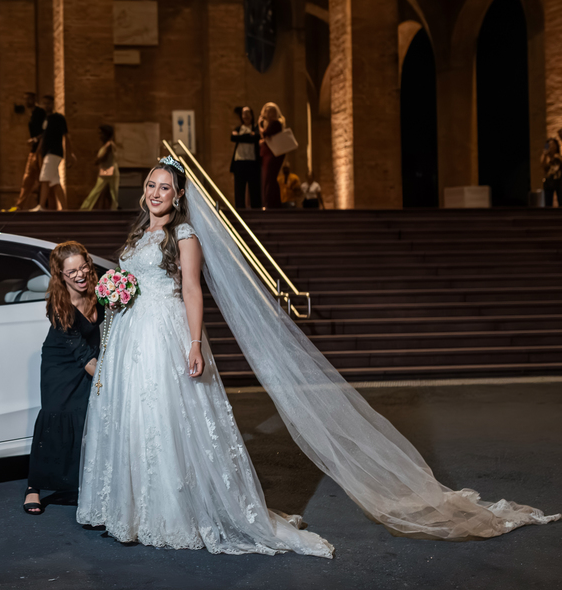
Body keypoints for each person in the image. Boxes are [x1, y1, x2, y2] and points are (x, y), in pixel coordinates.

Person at [76, 156, 558, 554]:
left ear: (179, 195)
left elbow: (193, 291)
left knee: (166, 418)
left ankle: (173, 509)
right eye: (150, 185)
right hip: (133, 337)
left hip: (166, 334)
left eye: (165, 187)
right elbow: (134, 282)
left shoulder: (183, 236)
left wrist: (194, 342)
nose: (156, 192)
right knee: (138, 420)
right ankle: (133, 508)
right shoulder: (139, 233)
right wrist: (117, 294)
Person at [24, 241, 103, 515]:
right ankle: (34, 487)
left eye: (83, 268)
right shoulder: (59, 307)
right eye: (72, 272)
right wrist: (113, 380)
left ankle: (82, 481)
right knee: (55, 419)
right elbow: (83, 357)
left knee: (83, 418)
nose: (80, 275)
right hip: (61, 364)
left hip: (89, 360)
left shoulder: (99, 291)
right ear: (60, 276)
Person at [8, 92, 47, 212]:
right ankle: (19, 205)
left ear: (33, 99)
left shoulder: (40, 113)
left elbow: (46, 132)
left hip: (40, 150)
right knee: (27, 179)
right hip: (34, 150)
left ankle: (49, 205)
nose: (26, 102)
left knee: (45, 179)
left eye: (28, 99)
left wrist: (36, 140)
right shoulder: (32, 114)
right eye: (25, 99)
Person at [36, 94, 68, 210]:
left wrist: (70, 153)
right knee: (55, 182)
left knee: (44, 178)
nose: (46, 105)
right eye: (44, 103)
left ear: (53, 104)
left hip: (54, 152)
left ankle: (41, 205)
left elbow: (66, 136)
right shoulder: (45, 119)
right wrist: (39, 151)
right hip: (47, 153)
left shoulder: (58, 118)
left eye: (48, 103)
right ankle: (65, 208)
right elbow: (44, 137)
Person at [80, 124, 119, 210]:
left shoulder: (109, 145)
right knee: (108, 191)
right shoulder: (106, 145)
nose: (100, 136)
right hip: (106, 172)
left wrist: (97, 160)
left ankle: (86, 207)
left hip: (109, 171)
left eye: (101, 133)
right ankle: (112, 208)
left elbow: (103, 157)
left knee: (108, 191)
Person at [229, 105, 261, 209]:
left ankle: (256, 209)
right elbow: (233, 138)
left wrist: (240, 137)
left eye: (248, 113)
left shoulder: (256, 128)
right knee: (239, 188)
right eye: (244, 113)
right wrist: (248, 136)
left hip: (252, 162)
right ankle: (240, 210)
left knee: (254, 188)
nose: (246, 115)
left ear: (252, 115)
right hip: (239, 162)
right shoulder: (238, 128)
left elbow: (255, 137)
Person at [258, 102, 286, 209]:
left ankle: (270, 204)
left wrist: (260, 124)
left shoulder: (276, 123)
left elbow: (265, 134)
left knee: (269, 178)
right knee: (267, 179)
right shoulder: (271, 124)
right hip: (268, 154)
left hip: (272, 155)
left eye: (270, 111)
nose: (267, 113)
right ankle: (270, 203)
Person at [541, 138, 561, 207]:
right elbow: (543, 165)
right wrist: (545, 154)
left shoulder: (558, 156)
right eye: (549, 144)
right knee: (548, 201)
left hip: (558, 180)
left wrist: (559, 158)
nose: (551, 146)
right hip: (549, 180)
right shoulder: (546, 156)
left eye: (553, 144)